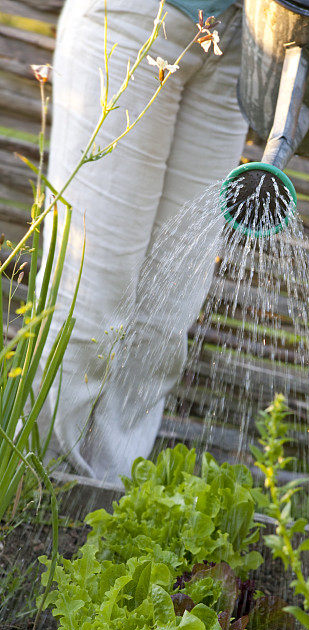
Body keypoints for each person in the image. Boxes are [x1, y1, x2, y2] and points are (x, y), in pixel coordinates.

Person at [39, 0, 247, 482]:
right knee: (89, 302)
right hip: (138, 18)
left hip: (241, 47)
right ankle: (31, 508)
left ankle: (107, 515)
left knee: (164, 321)